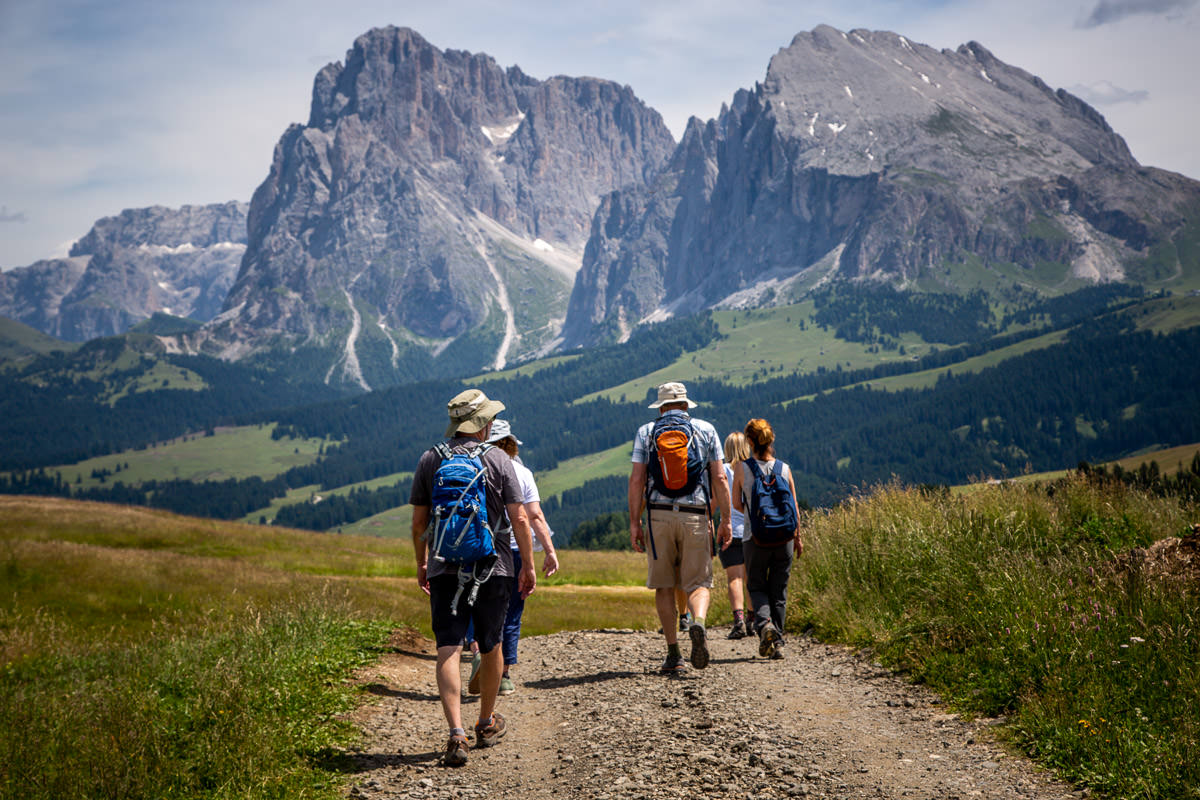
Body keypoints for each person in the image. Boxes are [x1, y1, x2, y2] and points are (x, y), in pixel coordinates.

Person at [410, 389, 536, 767]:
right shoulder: (499, 459)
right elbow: (521, 518)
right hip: (493, 565)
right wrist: (527, 564)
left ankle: (455, 733)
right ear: (483, 424)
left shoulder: (431, 458)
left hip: (444, 564)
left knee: (448, 645)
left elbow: (419, 521)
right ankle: (485, 722)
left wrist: (422, 562)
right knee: (490, 643)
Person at [629, 381, 732, 673]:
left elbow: (636, 480)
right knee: (698, 582)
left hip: (658, 515)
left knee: (663, 585)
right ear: (686, 405)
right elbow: (720, 479)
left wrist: (635, 523)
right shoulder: (707, 430)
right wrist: (725, 520)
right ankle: (697, 622)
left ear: (661, 408)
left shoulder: (646, 432)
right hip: (696, 514)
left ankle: (674, 654)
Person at [482, 419, 559, 696]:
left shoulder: (474, 465)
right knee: (512, 612)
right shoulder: (522, 472)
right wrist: (548, 551)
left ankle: (480, 651)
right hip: (512, 549)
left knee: (479, 605)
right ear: (511, 443)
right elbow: (533, 516)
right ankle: (503, 676)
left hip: (477, 548)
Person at [730, 418, 804, 660]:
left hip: (755, 538)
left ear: (750, 441)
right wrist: (798, 538)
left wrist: (756, 516)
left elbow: (736, 504)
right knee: (779, 591)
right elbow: (794, 507)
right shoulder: (784, 468)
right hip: (785, 539)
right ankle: (778, 644)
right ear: (771, 440)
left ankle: (765, 626)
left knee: (757, 586)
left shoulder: (742, 468)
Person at [719, 431, 753, 639]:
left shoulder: (721, 470)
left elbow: (714, 500)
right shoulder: (751, 469)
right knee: (751, 578)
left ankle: (738, 619)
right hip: (751, 531)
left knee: (734, 578)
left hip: (729, 530)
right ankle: (752, 618)